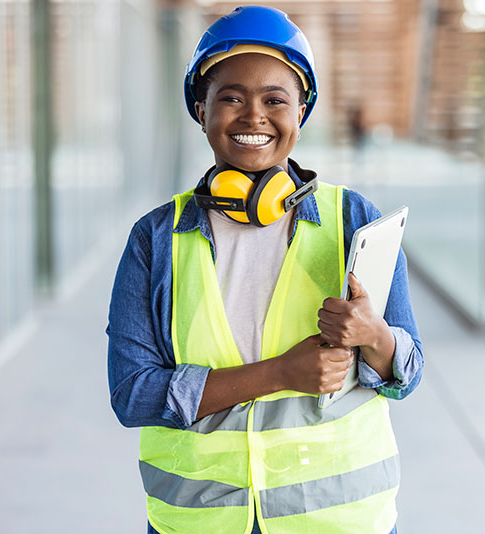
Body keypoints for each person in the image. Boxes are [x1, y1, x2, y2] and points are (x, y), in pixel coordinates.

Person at [107, 6, 423, 534]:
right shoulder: (156, 238)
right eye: (230, 97)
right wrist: (279, 374)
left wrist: (376, 337)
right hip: (202, 519)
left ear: (301, 111)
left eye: (275, 100)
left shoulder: (354, 219)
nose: (253, 116)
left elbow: (406, 372)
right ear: (200, 108)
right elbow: (133, 393)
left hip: (338, 518)